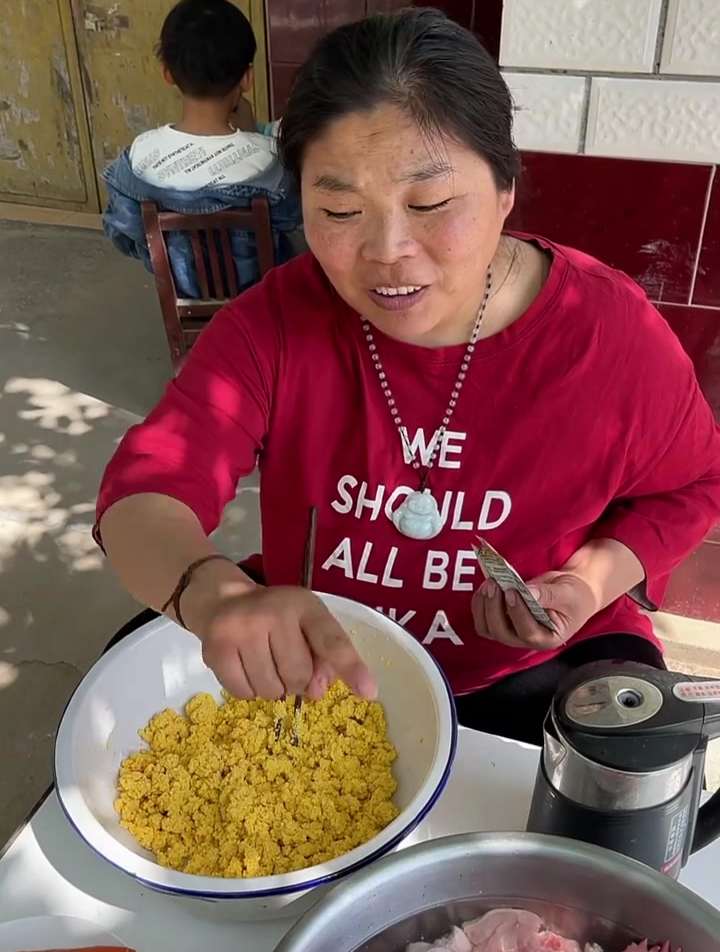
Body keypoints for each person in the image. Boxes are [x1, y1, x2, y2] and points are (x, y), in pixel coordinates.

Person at [94, 8, 720, 746]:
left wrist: (588, 581)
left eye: (430, 204)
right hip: (324, 659)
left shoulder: (608, 335)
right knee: (128, 683)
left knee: (628, 766)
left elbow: (694, 484)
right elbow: (146, 493)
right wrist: (214, 594)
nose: (387, 251)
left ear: (506, 189)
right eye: (339, 210)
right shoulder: (277, 322)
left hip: (534, 666)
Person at [101, 0, 302, 299]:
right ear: (247, 78)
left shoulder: (140, 155)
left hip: (183, 292)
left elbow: (123, 233)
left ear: (167, 73)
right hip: (255, 299)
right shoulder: (268, 160)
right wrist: (251, 136)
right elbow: (293, 218)